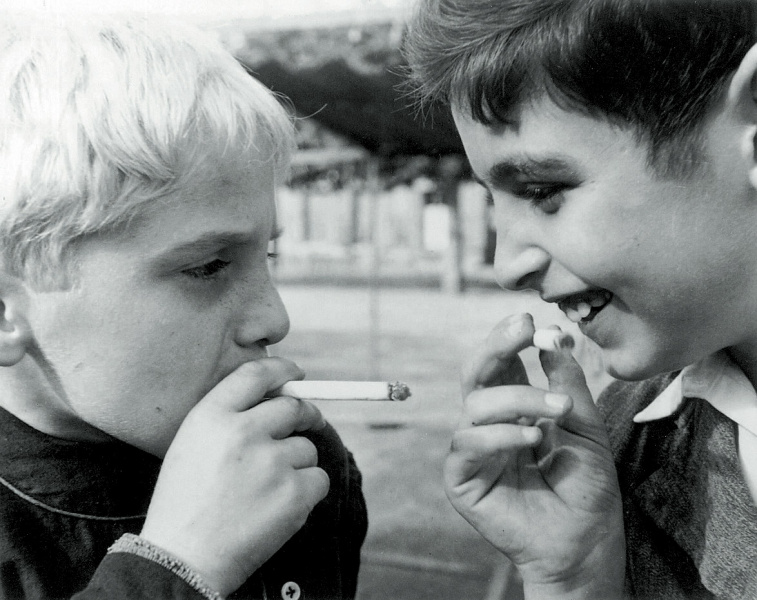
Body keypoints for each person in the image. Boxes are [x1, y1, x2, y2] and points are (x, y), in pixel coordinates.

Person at [0, 13, 367, 600]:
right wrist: (176, 568)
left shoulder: (301, 468)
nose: (274, 320)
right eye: (207, 266)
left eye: (268, 254)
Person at [404, 0, 757, 598]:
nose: (506, 266)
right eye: (492, 199)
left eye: (542, 190)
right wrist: (575, 579)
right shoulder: (618, 452)